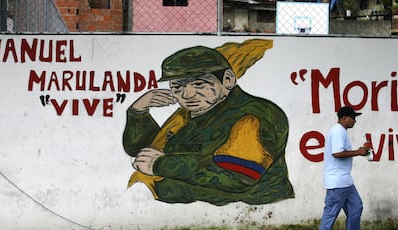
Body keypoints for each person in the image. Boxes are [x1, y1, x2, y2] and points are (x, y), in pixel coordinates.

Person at [122, 45, 294, 206]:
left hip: (245, 212)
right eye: (178, 86)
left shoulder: (254, 115)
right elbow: (144, 151)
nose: (187, 94)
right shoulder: (189, 114)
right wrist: (138, 113)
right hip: (185, 214)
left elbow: (237, 176)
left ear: (227, 80)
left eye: (199, 83)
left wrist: (161, 164)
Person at [316, 106, 371, 230]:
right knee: (330, 214)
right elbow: (337, 153)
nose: (355, 121)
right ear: (345, 118)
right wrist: (358, 152)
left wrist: (358, 151)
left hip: (345, 181)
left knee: (356, 207)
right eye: (353, 118)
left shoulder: (341, 132)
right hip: (337, 182)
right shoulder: (338, 131)